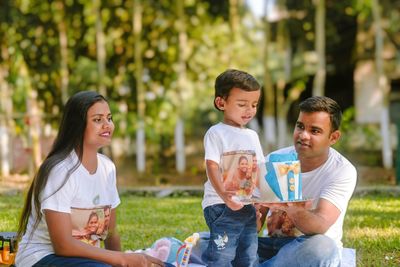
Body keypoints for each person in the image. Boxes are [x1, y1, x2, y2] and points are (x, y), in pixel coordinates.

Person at [16, 91, 165, 267]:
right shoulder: (60, 171)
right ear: (77, 126)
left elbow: (110, 232)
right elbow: (62, 245)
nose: (107, 125)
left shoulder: (107, 168)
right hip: (42, 257)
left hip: (87, 261)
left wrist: (124, 262)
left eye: (109, 118)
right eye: (97, 119)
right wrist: (123, 259)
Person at [257, 96, 357, 267]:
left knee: (323, 248)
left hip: (308, 247)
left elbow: (319, 225)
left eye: (315, 131)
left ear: (333, 137)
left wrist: (289, 204)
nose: (303, 135)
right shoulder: (274, 159)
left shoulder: (341, 170)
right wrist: (247, 214)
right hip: (270, 246)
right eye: (300, 126)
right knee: (211, 241)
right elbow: (255, 224)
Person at [201, 69, 265, 267]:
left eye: (254, 105)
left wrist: (263, 199)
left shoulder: (252, 136)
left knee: (248, 255)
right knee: (222, 255)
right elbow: (211, 165)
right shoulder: (216, 133)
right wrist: (224, 195)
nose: (249, 110)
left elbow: (259, 169)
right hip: (221, 206)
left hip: (247, 205)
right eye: (242, 104)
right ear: (221, 103)